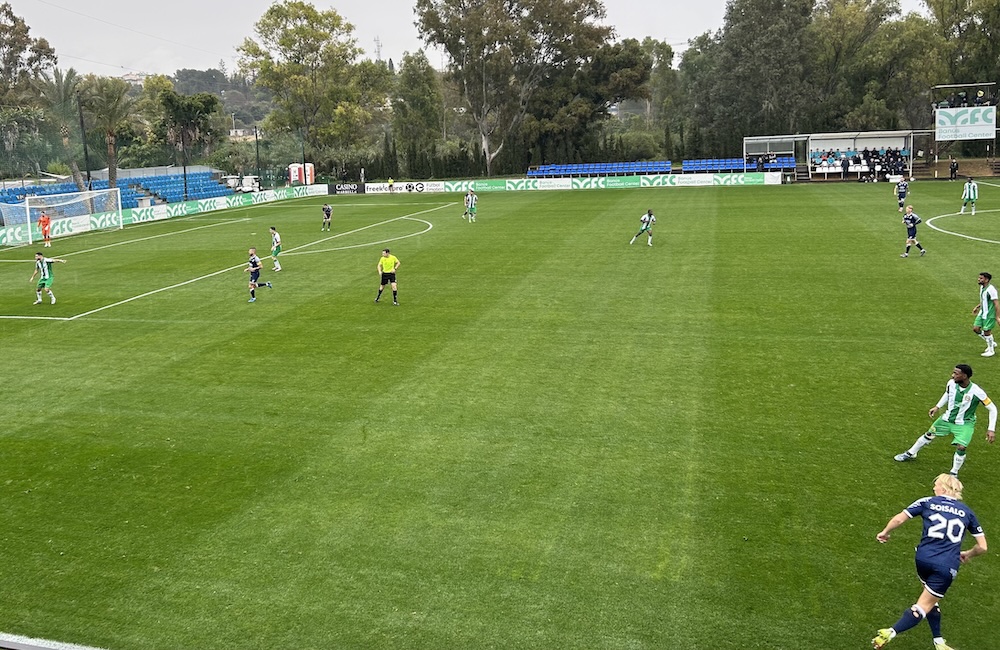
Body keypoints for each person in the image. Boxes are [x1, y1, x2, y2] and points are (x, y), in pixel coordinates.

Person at [871, 473, 987, 650]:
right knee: (923, 605)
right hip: (946, 565)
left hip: (923, 559)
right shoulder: (968, 512)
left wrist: (885, 532)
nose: (934, 488)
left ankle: (939, 641)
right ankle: (891, 632)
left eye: (936, 485)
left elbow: (899, 518)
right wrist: (968, 554)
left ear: (943, 488)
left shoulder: (927, 502)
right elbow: (982, 547)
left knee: (931, 599)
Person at [894, 364, 996, 475]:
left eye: (956, 373)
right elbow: (947, 394)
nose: (952, 375)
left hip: (964, 424)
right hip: (946, 419)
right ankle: (911, 453)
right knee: (929, 435)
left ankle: (954, 472)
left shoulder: (977, 392)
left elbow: (993, 409)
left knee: (961, 447)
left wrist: (991, 429)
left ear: (964, 376)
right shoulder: (951, 383)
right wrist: (937, 407)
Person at [972, 272, 999, 356]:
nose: (978, 279)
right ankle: (991, 342)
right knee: (976, 329)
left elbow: (996, 303)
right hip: (982, 312)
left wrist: (998, 317)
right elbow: (984, 299)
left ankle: (991, 350)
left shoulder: (991, 289)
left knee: (987, 331)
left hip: (989, 314)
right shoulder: (982, 287)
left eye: (981, 278)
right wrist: (977, 307)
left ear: (986, 280)